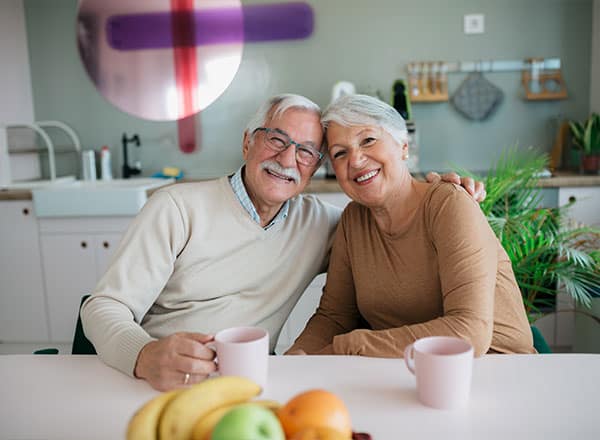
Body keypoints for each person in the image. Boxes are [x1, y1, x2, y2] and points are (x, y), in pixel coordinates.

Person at [81, 94, 486, 391]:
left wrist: (441, 191)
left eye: (308, 152)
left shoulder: (326, 224)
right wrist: (143, 356)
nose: (288, 159)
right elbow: (104, 307)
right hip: (156, 383)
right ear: (247, 142)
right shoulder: (176, 207)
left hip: (251, 387)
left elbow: (391, 218)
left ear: (315, 168)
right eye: (276, 140)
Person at [287, 94, 535, 358]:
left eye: (368, 140)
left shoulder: (449, 204)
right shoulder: (353, 221)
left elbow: (469, 332)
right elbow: (334, 317)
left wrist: (350, 346)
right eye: (340, 153)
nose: (356, 160)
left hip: (495, 368)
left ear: (404, 146)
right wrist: (297, 357)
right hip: (404, 369)